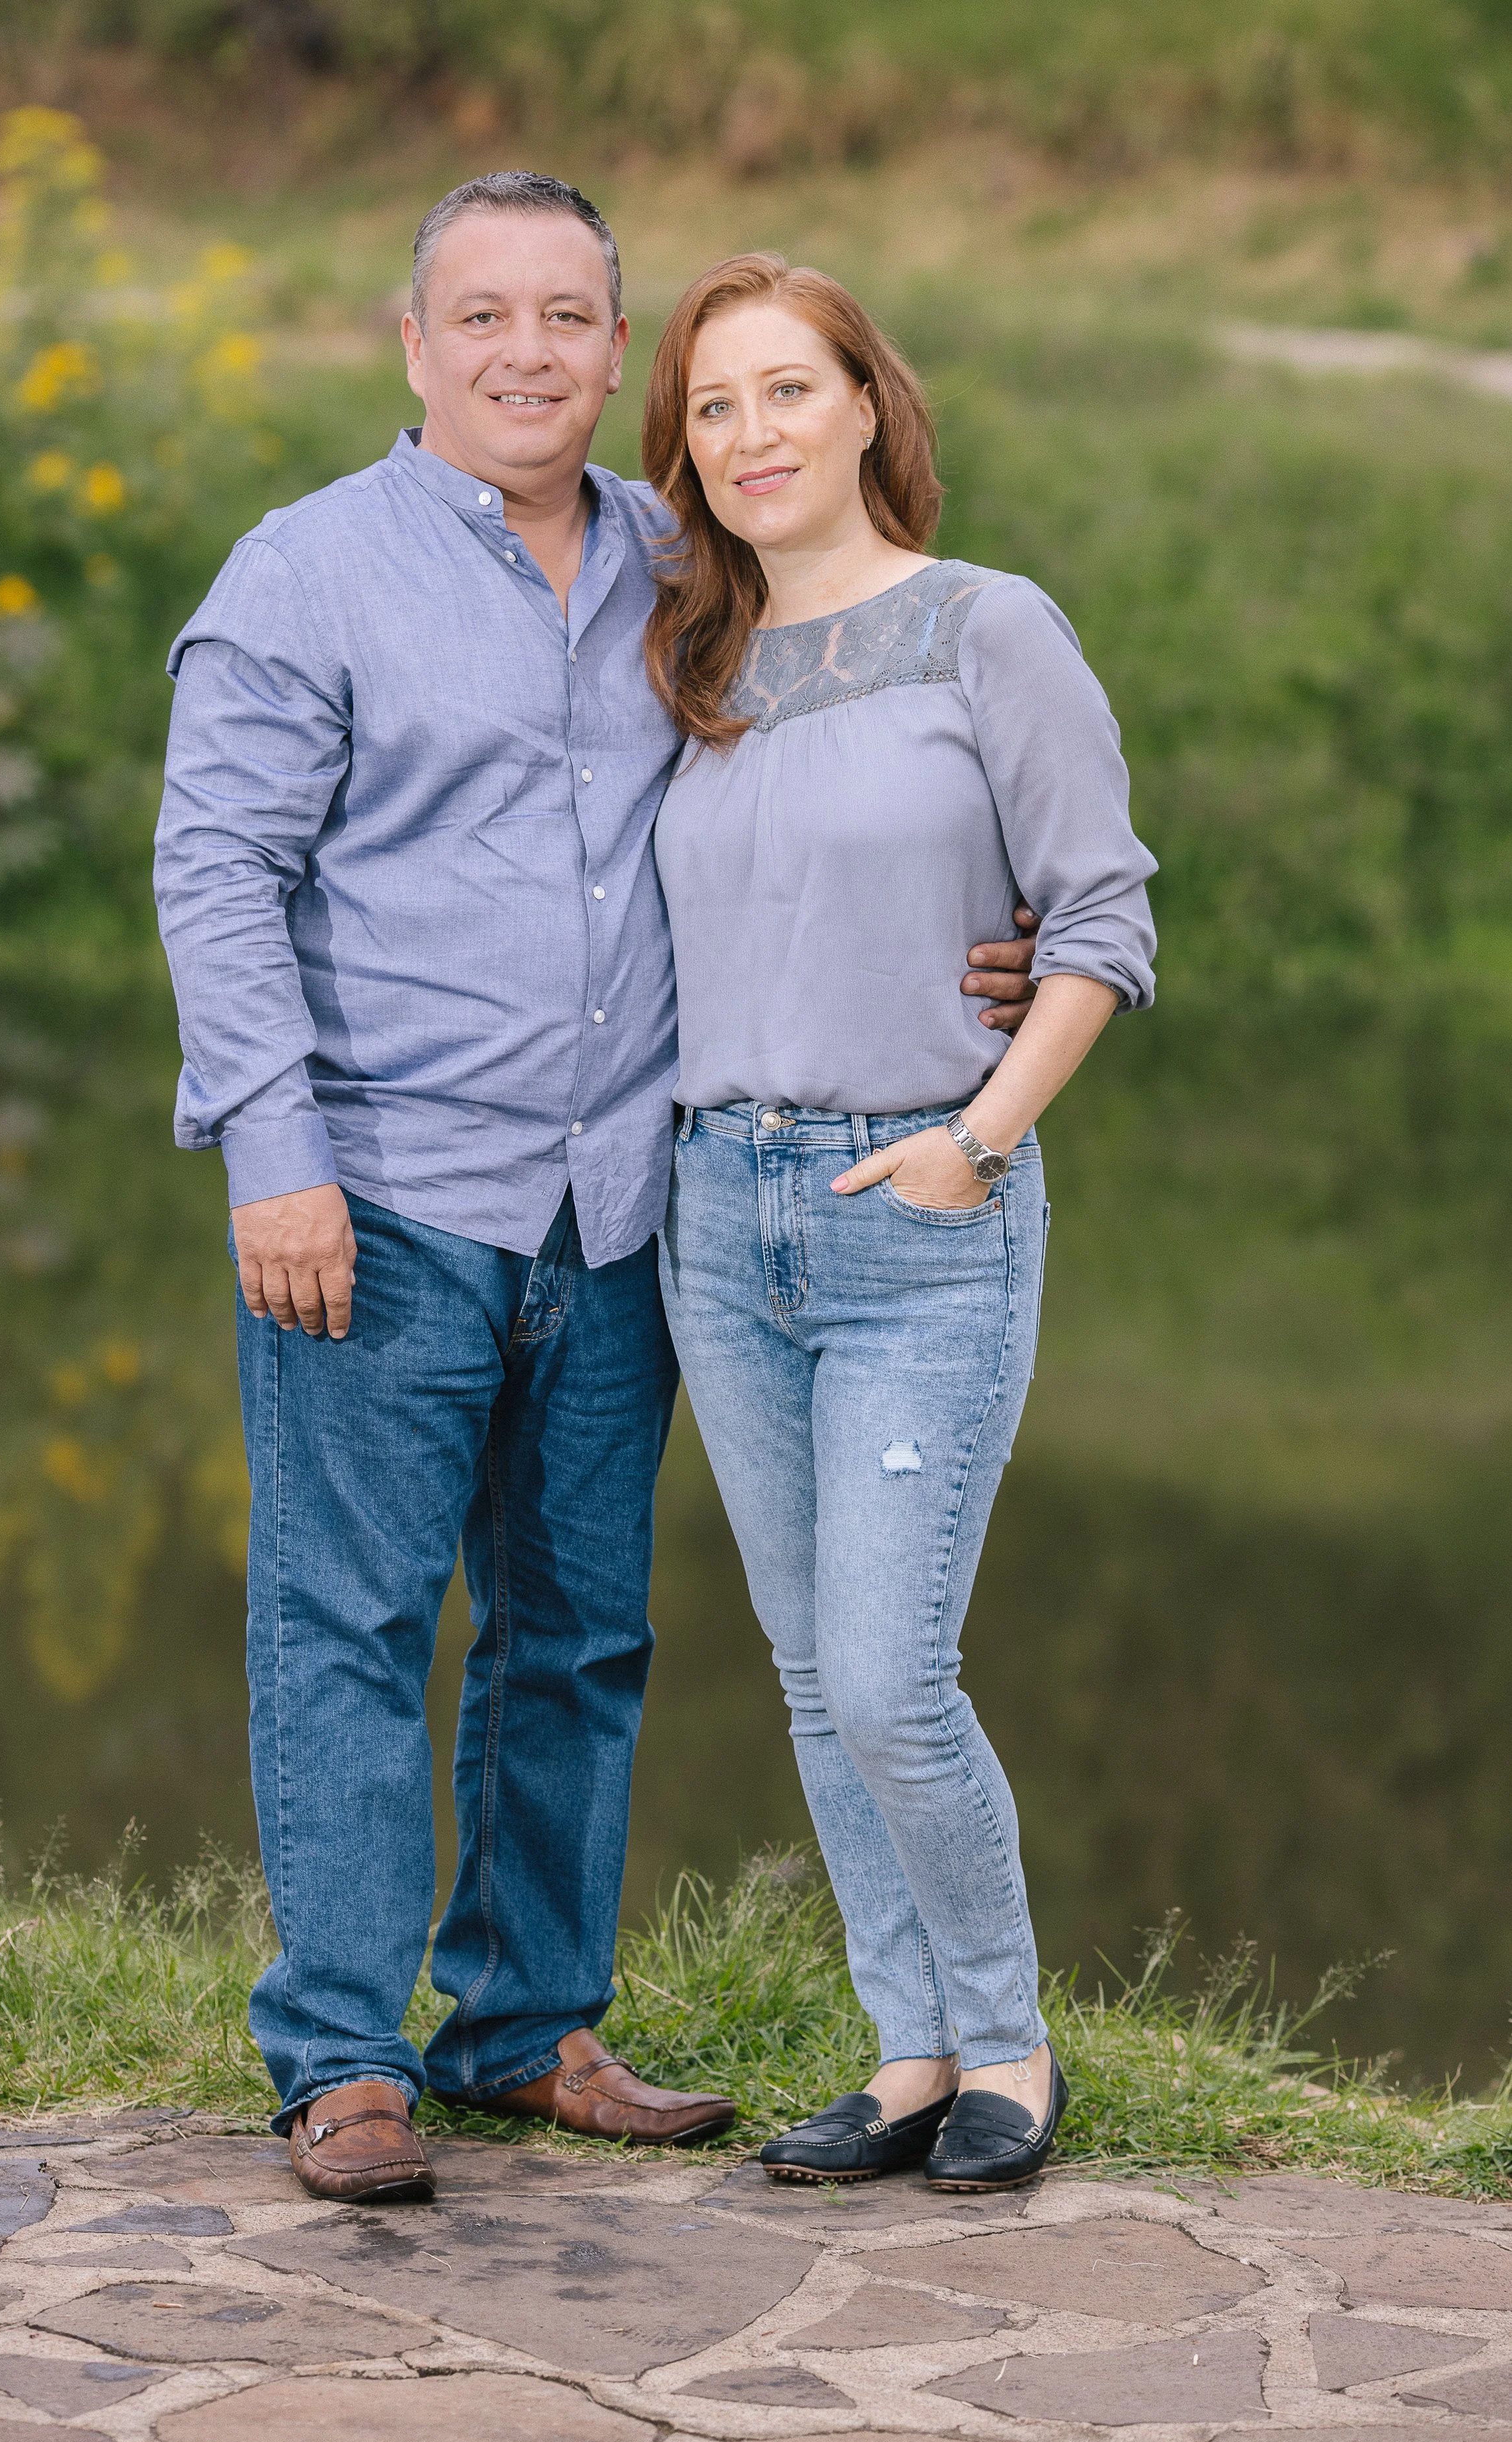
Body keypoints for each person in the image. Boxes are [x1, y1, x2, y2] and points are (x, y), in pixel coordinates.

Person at [154, 173, 1044, 2203]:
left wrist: (978, 950)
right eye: (484, 317)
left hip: (631, 1204)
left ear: (614, 350)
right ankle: (343, 2054)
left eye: (569, 318)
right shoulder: (308, 573)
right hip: (375, 1196)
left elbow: (852, 774)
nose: (528, 354)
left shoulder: (688, 564)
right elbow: (214, 872)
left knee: (575, 1631)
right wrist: (273, 1155)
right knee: (351, 1618)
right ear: (413, 343)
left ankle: (528, 2019)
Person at [644, 254, 1157, 2190]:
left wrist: (976, 1134)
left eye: (787, 391)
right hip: (718, 1207)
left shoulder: (985, 629)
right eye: (711, 406)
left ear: (868, 405)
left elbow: (1100, 918)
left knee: (885, 1668)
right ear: (682, 450)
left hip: (914, 1203)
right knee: (801, 1665)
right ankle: (909, 2046)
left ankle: (1011, 2037)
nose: (751, 435)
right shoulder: (688, 661)